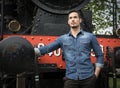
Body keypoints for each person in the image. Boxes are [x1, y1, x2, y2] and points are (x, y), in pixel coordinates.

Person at [34, 10, 104, 88]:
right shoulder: (62, 39)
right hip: (71, 78)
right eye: (70, 18)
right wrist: (32, 51)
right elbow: (47, 48)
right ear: (68, 21)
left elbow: (99, 55)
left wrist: (95, 75)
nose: (73, 19)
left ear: (80, 20)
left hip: (88, 77)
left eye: (75, 17)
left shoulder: (90, 36)